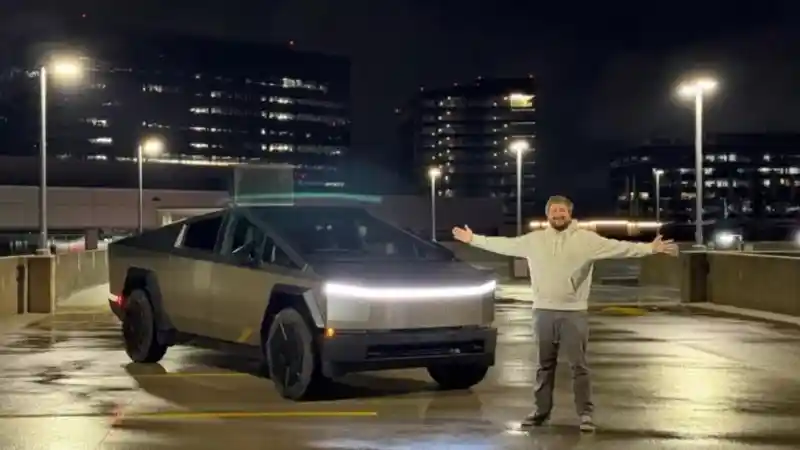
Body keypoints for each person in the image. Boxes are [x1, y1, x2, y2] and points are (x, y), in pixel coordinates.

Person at [452, 195, 678, 432]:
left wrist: (650, 248)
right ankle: (541, 412)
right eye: (554, 211)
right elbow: (504, 245)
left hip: (574, 313)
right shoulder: (534, 240)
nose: (558, 215)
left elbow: (620, 248)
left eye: (562, 211)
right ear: (547, 214)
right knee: (544, 365)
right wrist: (473, 239)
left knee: (579, 366)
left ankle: (585, 414)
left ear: (570, 214)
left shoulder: (587, 240)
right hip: (543, 311)